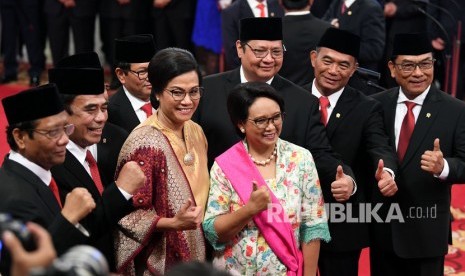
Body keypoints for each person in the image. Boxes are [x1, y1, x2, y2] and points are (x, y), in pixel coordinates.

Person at [194, 17, 357, 204]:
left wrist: (347, 178)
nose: (269, 59)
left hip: (276, 212)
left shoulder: (303, 102)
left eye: (277, 52)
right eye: (260, 51)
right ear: (240, 48)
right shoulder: (207, 90)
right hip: (216, 206)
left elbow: (320, 153)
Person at [203, 82, 330, 275]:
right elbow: (214, 231)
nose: (271, 127)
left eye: (276, 117)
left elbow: (313, 224)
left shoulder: (300, 159)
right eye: (261, 120)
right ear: (241, 124)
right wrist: (250, 210)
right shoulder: (225, 165)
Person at [371, 32, 465, 276]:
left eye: (425, 64)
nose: (418, 73)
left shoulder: (456, 110)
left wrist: (444, 167)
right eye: (409, 65)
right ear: (392, 68)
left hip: (428, 231)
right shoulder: (375, 105)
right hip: (383, 229)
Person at [305, 27, 398, 276]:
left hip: (343, 220)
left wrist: (386, 172)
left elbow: (379, 145)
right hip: (292, 217)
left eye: (344, 65)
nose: (334, 71)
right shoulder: (290, 98)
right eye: (328, 61)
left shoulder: (367, 107)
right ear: (314, 58)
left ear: (355, 68)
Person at [47, 52, 146, 271]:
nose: (101, 118)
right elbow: (78, 229)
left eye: (104, 107)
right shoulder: (50, 161)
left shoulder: (118, 137)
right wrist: (120, 190)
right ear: (63, 113)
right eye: (90, 109)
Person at [114, 47, 209, 275]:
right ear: (156, 92)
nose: (187, 101)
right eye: (177, 92)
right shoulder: (144, 143)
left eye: (194, 91)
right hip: (160, 261)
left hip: (198, 255)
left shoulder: (196, 131)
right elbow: (129, 215)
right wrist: (174, 223)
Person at [0, 84, 96, 275]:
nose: (65, 140)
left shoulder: (33, 172)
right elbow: (26, 268)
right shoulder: (15, 199)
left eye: (65, 128)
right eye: (53, 132)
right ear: (20, 137)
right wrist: (68, 219)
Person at [108, 34, 157, 133]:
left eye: (153, 69)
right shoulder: (110, 112)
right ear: (121, 75)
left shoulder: (169, 100)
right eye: (142, 72)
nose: (150, 77)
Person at [279, 0, 331, 86]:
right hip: (316, 95)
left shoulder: (273, 29)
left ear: (280, 2)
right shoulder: (328, 29)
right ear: (311, 1)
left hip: (280, 93)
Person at [221, 0, 284, 70]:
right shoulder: (232, 12)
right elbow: (232, 53)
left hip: (277, 73)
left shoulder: (279, 7)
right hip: (246, 74)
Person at [0, 0, 45, 86]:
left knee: (32, 36)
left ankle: (35, 71)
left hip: (27, 3)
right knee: (8, 36)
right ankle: (10, 71)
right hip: (7, 3)